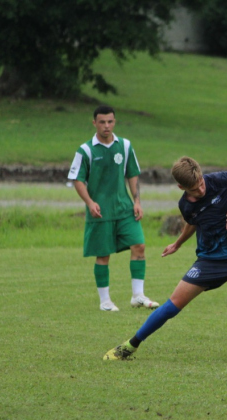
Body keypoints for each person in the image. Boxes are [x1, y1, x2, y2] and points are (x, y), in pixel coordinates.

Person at [103, 156, 227, 360]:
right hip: (212, 260)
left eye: (200, 183)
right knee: (172, 305)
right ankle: (130, 345)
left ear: (201, 175)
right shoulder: (186, 205)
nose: (200, 190)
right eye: (194, 189)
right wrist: (178, 243)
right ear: (181, 186)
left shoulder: (221, 179)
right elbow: (193, 222)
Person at [67, 105, 159, 312]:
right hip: (100, 211)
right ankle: (105, 301)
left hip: (124, 208)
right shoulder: (86, 150)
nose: (106, 126)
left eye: (110, 121)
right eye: (102, 122)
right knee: (103, 254)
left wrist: (137, 201)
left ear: (114, 122)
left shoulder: (125, 146)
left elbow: (132, 174)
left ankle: (138, 296)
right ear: (94, 123)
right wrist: (90, 203)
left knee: (139, 246)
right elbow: (77, 180)